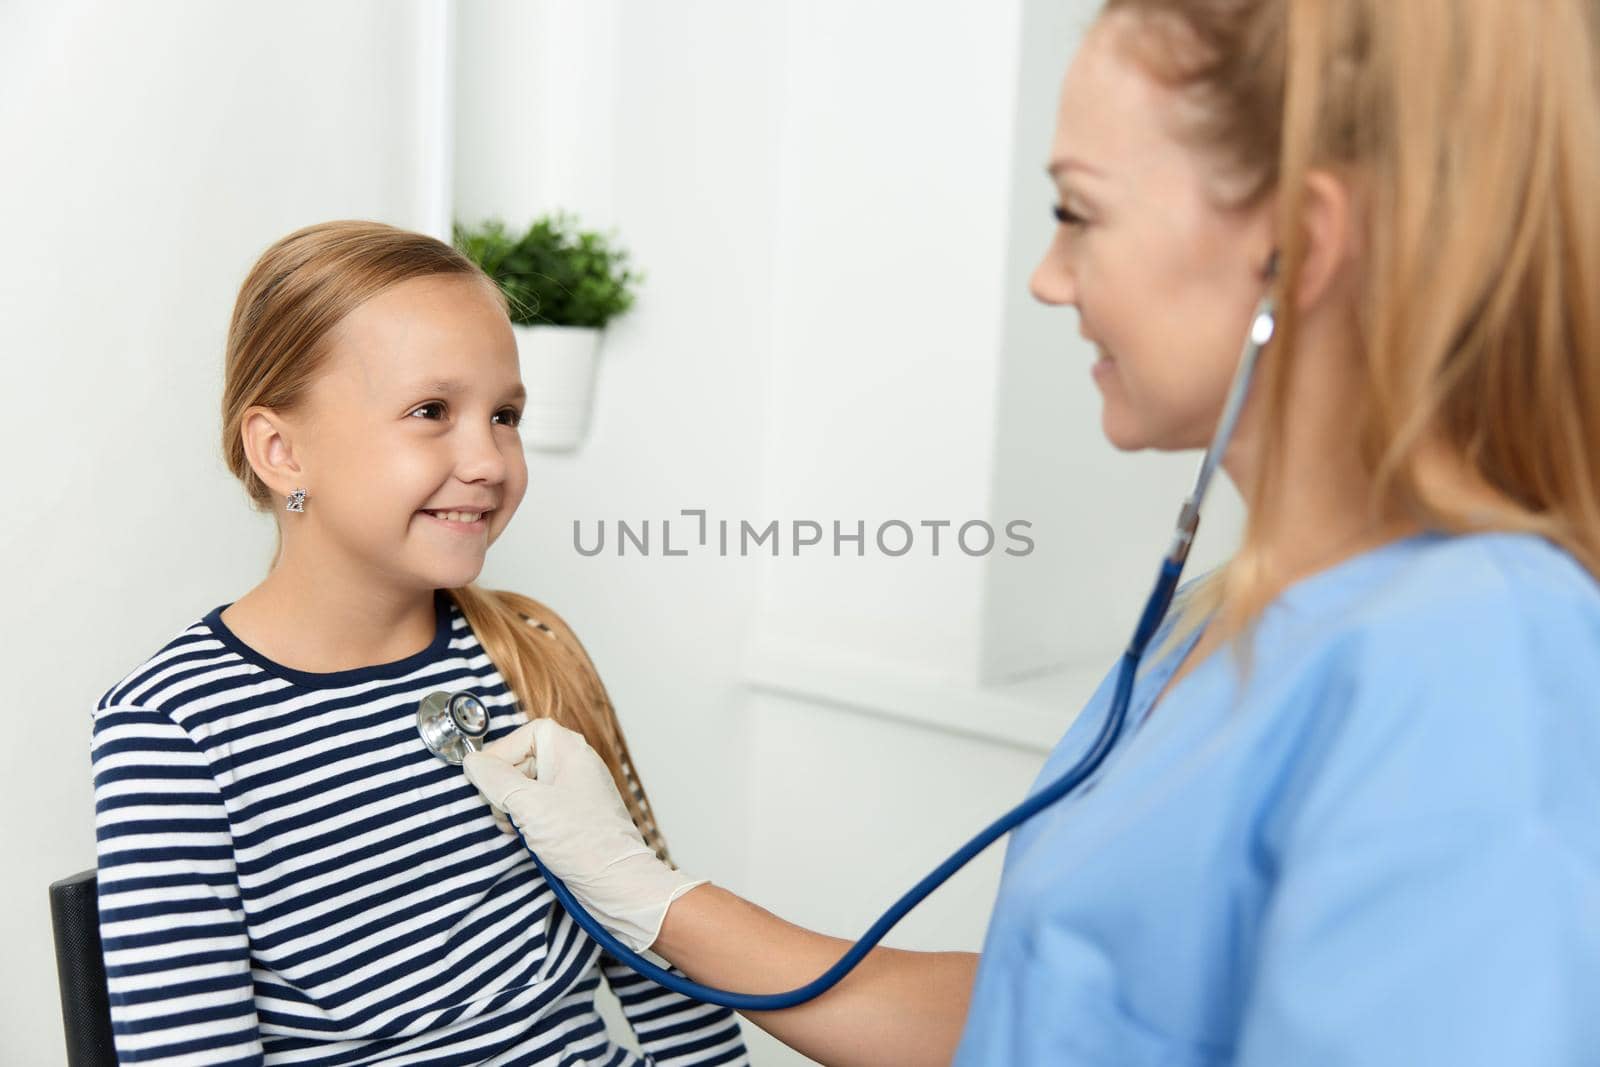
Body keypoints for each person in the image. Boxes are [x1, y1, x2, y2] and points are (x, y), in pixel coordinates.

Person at [461, 1, 1600, 1064]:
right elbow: (1055, 1013)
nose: (1050, 279)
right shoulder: (1223, 617)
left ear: (1297, 243)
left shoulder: (1479, 662)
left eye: (1077, 211)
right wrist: (655, 895)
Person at [90, 220, 750, 1065]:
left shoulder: (528, 646)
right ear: (281, 449)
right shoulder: (172, 727)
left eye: (505, 414)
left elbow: (663, 958)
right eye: (431, 411)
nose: (488, 458)